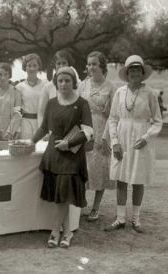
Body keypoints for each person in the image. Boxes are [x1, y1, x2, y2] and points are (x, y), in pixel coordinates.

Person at [32, 66, 93, 248]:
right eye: (60, 81)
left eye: (67, 80)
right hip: (53, 154)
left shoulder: (82, 104)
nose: (64, 84)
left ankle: (54, 231)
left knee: (63, 194)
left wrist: (69, 144)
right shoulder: (51, 103)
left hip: (72, 156)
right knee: (62, 196)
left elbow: (88, 131)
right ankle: (67, 233)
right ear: (56, 83)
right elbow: (44, 128)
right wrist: (30, 142)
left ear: (73, 83)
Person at [105, 55, 162, 233]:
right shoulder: (120, 92)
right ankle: (120, 218)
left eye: (138, 69)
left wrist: (146, 137)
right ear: (127, 73)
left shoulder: (150, 93)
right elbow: (113, 118)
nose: (134, 73)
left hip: (141, 140)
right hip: (122, 138)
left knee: (138, 180)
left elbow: (158, 121)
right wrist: (114, 142)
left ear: (142, 73)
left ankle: (136, 220)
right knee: (121, 180)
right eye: (131, 70)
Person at [77, 51, 116, 221]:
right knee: (82, 168)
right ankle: (79, 203)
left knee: (100, 169)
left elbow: (113, 115)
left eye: (94, 64)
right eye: (89, 64)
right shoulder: (82, 85)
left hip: (102, 129)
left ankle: (96, 207)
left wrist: (106, 137)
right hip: (84, 129)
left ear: (101, 66)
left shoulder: (110, 87)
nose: (91, 67)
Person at [16, 54, 49, 139]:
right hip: (25, 124)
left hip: (42, 124)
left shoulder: (45, 85)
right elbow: (17, 110)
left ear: (39, 67)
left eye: (35, 65)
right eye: (29, 66)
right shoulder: (19, 87)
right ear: (25, 67)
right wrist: (18, 129)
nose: (32, 68)